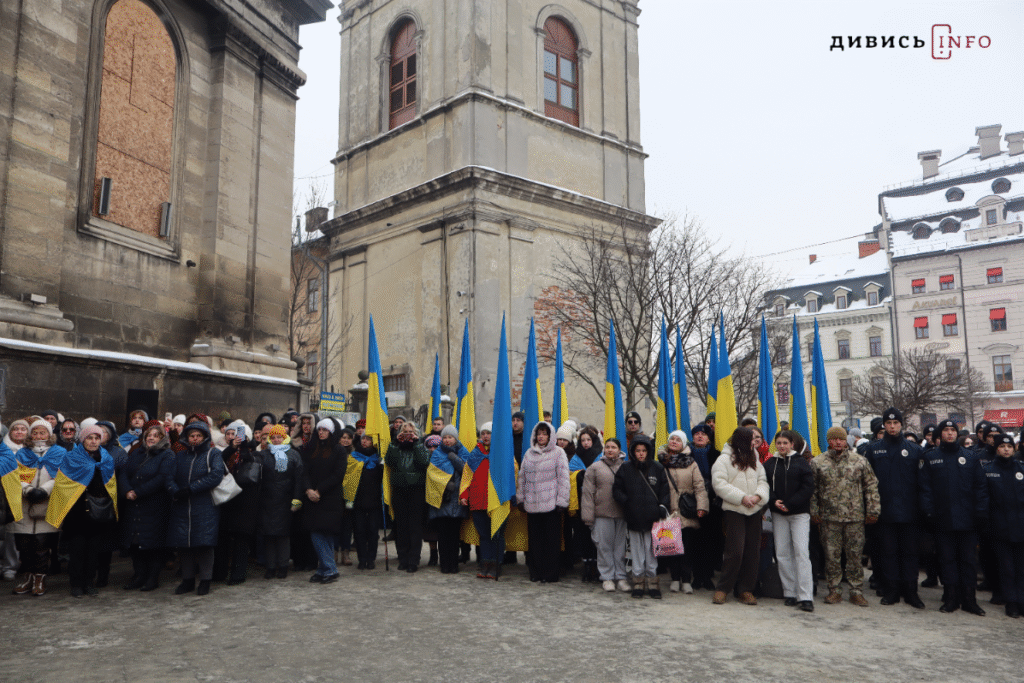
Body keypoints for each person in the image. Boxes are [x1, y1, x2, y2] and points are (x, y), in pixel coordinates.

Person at [920, 419, 987, 615]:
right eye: (946, 430)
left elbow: (980, 487)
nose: (950, 433)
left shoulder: (970, 457)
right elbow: (925, 489)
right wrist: (929, 512)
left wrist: (981, 512)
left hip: (968, 520)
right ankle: (950, 598)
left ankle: (969, 600)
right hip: (943, 519)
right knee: (947, 560)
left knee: (968, 561)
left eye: (953, 430)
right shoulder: (930, 458)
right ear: (940, 435)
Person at [863, 407, 926, 608]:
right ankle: (891, 591)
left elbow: (922, 482)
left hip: (909, 512)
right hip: (885, 512)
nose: (892, 426)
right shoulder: (874, 449)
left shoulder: (915, 450)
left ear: (901, 424)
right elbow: (868, 481)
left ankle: (911, 592)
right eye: (888, 423)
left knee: (910, 554)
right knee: (888, 554)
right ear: (884, 425)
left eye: (895, 423)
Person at [811, 426, 880, 607]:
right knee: (832, 556)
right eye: (834, 439)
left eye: (841, 439)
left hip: (855, 517)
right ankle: (834, 590)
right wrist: (814, 512)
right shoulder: (818, 462)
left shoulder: (860, 461)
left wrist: (873, 510)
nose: (838, 442)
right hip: (829, 518)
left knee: (855, 556)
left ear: (846, 441)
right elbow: (813, 491)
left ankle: (856, 591)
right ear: (829, 441)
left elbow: (871, 486)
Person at [48, 424, 118, 598]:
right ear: (83, 439)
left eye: (97, 438)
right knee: (77, 552)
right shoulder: (71, 457)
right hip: (77, 513)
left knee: (93, 552)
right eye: (89, 438)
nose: (93, 441)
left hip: (97, 513)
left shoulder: (106, 458)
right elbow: (62, 484)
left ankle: (89, 583)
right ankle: (76, 584)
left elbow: (111, 485)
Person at [711, 427, 769, 605]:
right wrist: (742, 498)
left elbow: (763, 481)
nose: (754, 442)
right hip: (734, 510)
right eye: (751, 439)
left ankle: (745, 590)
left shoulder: (755, 458)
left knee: (753, 552)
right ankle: (723, 588)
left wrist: (758, 497)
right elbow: (719, 483)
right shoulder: (723, 460)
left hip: (754, 511)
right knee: (735, 551)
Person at [167, 421, 225, 596]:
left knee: (204, 544)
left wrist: (192, 488)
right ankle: (188, 580)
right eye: (192, 436)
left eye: (198, 436)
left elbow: (216, 475)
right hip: (182, 505)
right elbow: (169, 477)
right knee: (185, 545)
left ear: (205, 437)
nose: (195, 439)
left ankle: (205, 580)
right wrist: (175, 491)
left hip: (204, 505)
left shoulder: (213, 453)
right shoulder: (180, 456)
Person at [9, 422, 63, 596]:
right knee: (24, 545)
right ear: (31, 436)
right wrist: (28, 489)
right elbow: (15, 475)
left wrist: (45, 490)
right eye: (36, 433)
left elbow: (61, 475)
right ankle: (28, 577)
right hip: (25, 502)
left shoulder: (59, 453)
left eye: (43, 432)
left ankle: (40, 579)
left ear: (49, 434)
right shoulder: (22, 454)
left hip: (46, 502)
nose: (39, 436)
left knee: (41, 545)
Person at [763, 430, 815, 612]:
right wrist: (773, 500)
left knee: (801, 552)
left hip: (799, 513)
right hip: (779, 514)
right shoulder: (770, 463)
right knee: (783, 553)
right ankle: (789, 592)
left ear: (792, 444)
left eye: (785, 443)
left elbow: (808, 487)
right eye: (779, 443)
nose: (782, 446)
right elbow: (764, 484)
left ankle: (805, 595)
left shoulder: (801, 463)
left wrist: (790, 504)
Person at [119, 423, 174, 591]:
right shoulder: (136, 452)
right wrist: (127, 490)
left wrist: (138, 492)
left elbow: (162, 478)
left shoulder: (167, 455)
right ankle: (139, 575)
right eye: (149, 435)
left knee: (153, 544)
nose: (151, 438)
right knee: (135, 543)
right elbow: (123, 473)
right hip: (134, 506)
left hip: (154, 506)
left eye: (156, 436)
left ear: (163, 438)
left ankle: (152, 578)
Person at [613, 434, 669, 598]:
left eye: (644, 450)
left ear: (649, 451)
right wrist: (627, 503)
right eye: (638, 450)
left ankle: (653, 582)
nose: (641, 453)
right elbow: (617, 489)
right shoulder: (625, 468)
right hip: (634, 517)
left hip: (653, 517)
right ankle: (638, 582)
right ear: (633, 451)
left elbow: (665, 490)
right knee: (636, 551)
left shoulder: (657, 468)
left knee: (652, 552)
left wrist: (661, 507)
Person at [517, 421, 570, 583]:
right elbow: (522, 478)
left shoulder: (558, 453)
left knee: (551, 541)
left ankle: (550, 573)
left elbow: (563, 478)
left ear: (550, 436)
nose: (541, 437)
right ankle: (536, 572)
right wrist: (521, 498)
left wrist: (562, 501)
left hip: (551, 505)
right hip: (532, 504)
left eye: (544, 434)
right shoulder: (529, 454)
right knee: (535, 541)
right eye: (539, 434)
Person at [657, 429, 708, 594]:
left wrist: (702, 507)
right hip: (669, 510)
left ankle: (686, 580)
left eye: (678, 440)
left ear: (684, 444)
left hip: (686, 511)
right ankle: (674, 579)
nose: (674, 442)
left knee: (686, 547)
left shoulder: (691, 463)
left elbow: (699, 487)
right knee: (671, 547)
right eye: (672, 439)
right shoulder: (660, 462)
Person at [214, 420, 263, 585]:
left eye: (235, 434)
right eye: (228, 434)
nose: (231, 437)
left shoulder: (254, 452)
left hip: (245, 502)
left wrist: (244, 447)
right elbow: (217, 462)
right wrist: (232, 448)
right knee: (223, 538)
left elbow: (251, 465)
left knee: (241, 540)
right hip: (227, 499)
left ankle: (238, 574)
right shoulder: (223, 452)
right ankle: (219, 572)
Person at [982, 433, 1024, 618]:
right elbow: (984, 500)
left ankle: (1021, 600)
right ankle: (1011, 602)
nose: (1006, 449)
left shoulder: (1021, 468)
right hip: (999, 527)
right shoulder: (988, 469)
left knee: (1021, 567)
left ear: (1014, 448)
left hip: (1021, 526)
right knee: (1006, 568)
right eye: (1001, 446)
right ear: (996, 449)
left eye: (1009, 446)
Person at [581, 438, 629, 593]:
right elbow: (588, 494)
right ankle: (607, 577)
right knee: (604, 547)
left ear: (619, 450)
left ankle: (621, 577)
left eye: (613, 447)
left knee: (620, 548)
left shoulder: (626, 467)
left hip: (622, 514)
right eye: (607, 447)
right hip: (602, 513)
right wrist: (588, 516)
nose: (610, 450)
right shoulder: (595, 468)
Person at [303, 418, 347, 583]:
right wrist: (308, 489)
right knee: (318, 532)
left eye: (325, 430)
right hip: (312, 497)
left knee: (322, 533)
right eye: (319, 429)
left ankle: (328, 568)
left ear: (331, 432)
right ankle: (324, 569)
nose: (321, 432)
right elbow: (304, 470)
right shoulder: (311, 448)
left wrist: (319, 490)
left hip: (329, 497)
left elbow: (338, 475)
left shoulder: (339, 450)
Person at [258, 422, 304, 579]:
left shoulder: (293, 454)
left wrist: (296, 499)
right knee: (269, 536)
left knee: (283, 536)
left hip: (285, 500)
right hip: (267, 500)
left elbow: (299, 479)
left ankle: (283, 566)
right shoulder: (264, 455)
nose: (276, 440)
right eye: (274, 437)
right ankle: (270, 567)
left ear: (285, 438)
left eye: (279, 437)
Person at [461, 422, 505, 579]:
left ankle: (496, 564)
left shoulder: (502, 453)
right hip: (478, 501)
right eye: (484, 433)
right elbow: (467, 476)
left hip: (496, 503)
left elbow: (510, 474)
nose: (486, 436)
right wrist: (464, 495)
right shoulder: (474, 455)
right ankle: (485, 563)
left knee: (497, 535)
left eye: (489, 433)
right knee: (484, 535)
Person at [385, 421, 430, 572]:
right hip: (399, 488)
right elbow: (389, 461)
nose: (407, 435)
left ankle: (413, 560)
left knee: (414, 526)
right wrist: (395, 442)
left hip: (416, 489)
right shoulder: (396, 446)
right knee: (401, 526)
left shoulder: (420, 445)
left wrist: (416, 442)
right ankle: (402, 558)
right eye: (404, 431)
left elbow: (424, 461)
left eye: (410, 432)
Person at [426, 425, 469, 574]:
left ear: (455, 438)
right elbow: (432, 475)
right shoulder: (437, 454)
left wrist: (454, 458)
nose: (447, 440)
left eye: (450, 437)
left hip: (457, 500)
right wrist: (444, 484)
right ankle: (444, 564)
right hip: (443, 500)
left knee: (454, 535)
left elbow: (467, 471)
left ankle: (454, 563)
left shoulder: (463, 452)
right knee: (443, 535)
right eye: (444, 437)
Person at [689, 423, 721, 590]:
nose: (700, 436)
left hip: (713, 503)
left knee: (710, 540)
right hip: (691, 504)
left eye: (704, 434)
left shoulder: (717, 455)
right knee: (695, 540)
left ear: (709, 438)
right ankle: (696, 575)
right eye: (697, 434)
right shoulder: (686, 455)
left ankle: (707, 576)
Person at [569, 425, 602, 583]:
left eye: (589, 439)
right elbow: (571, 474)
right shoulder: (576, 458)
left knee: (597, 535)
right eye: (583, 440)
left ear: (594, 440)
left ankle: (598, 567)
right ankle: (587, 566)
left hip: (599, 501)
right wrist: (578, 475)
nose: (586, 443)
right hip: (582, 501)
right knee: (583, 535)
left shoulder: (601, 456)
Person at [347, 433, 383, 570]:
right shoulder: (354, 457)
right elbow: (349, 478)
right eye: (363, 439)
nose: (365, 441)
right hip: (358, 501)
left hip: (374, 501)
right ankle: (362, 558)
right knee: (359, 531)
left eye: (368, 439)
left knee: (373, 531)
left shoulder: (377, 458)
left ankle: (371, 558)